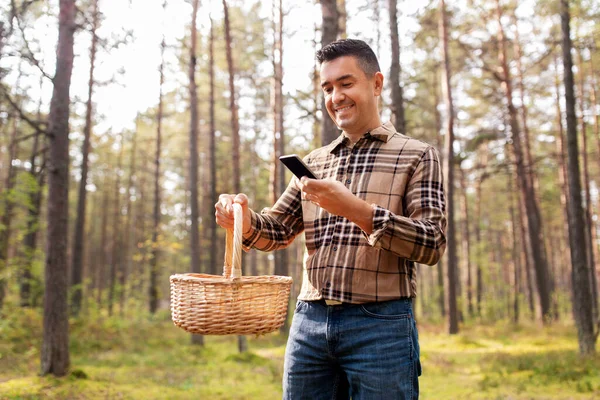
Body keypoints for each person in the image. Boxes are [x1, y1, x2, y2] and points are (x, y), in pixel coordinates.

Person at [215, 38, 446, 400]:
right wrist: (241, 221)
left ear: (377, 83)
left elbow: (432, 243)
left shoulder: (416, 156)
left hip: (381, 325)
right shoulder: (315, 162)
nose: (336, 96)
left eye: (346, 83)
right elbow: (276, 230)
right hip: (309, 323)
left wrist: (356, 210)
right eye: (327, 87)